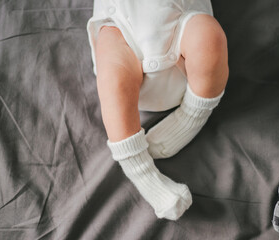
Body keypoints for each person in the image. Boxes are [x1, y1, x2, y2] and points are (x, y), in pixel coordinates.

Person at [87, 0, 228, 220]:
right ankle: (140, 170)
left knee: (209, 37)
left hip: (182, 32)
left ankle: (191, 116)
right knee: (112, 74)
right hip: (122, 31)